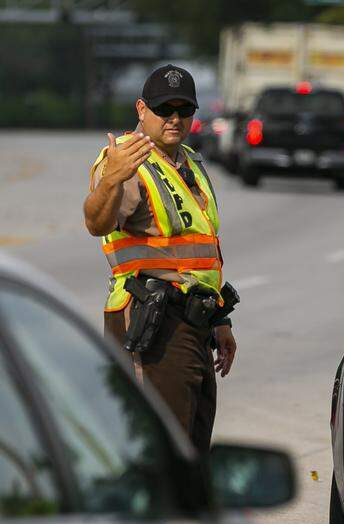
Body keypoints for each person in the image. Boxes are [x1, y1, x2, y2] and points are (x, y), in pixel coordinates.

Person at [82, 64, 237, 454]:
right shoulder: (127, 161)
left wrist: (220, 320)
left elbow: (201, 252)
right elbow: (96, 222)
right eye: (164, 108)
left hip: (195, 325)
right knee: (161, 451)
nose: (174, 118)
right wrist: (114, 179)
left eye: (184, 110)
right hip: (153, 323)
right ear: (141, 109)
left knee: (191, 447)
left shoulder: (190, 163)